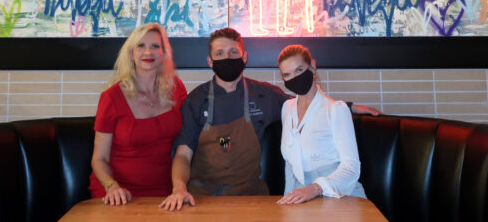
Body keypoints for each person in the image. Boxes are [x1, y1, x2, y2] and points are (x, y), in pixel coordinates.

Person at [159, 28, 378, 211]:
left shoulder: (264, 95)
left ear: (244, 58)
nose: (227, 58)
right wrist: (179, 188)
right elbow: (183, 155)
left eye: (234, 52)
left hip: (251, 196)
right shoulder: (195, 100)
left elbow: (307, 102)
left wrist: (348, 107)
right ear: (210, 61)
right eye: (220, 53)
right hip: (203, 196)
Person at [89, 22, 187, 205]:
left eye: (155, 46)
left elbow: (191, 140)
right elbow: (99, 159)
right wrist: (112, 186)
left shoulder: (177, 90)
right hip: (117, 192)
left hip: (166, 191)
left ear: (164, 53)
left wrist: (225, 143)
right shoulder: (111, 98)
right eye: (140, 46)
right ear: (131, 54)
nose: (148, 52)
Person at [276, 44, 367, 204]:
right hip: (302, 200)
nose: (294, 77)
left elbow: (351, 168)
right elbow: (290, 166)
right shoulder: (287, 108)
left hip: (340, 196)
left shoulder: (336, 109)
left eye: (299, 70)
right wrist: (287, 201)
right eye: (287, 74)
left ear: (312, 66)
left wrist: (315, 188)